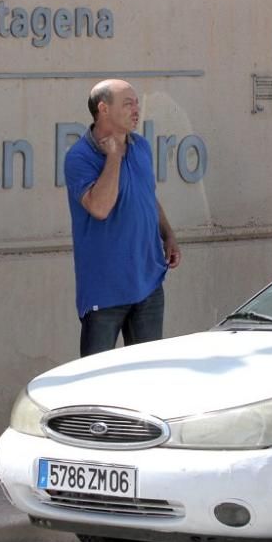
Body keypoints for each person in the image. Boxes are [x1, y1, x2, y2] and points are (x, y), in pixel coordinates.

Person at [64, 79, 181, 357]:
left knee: (148, 374)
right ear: (103, 108)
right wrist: (113, 156)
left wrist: (168, 235)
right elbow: (100, 208)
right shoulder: (79, 157)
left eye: (137, 102)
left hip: (148, 281)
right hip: (105, 290)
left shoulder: (140, 146)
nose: (136, 109)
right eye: (128, 103)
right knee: (95, 379)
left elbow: (147, 195)